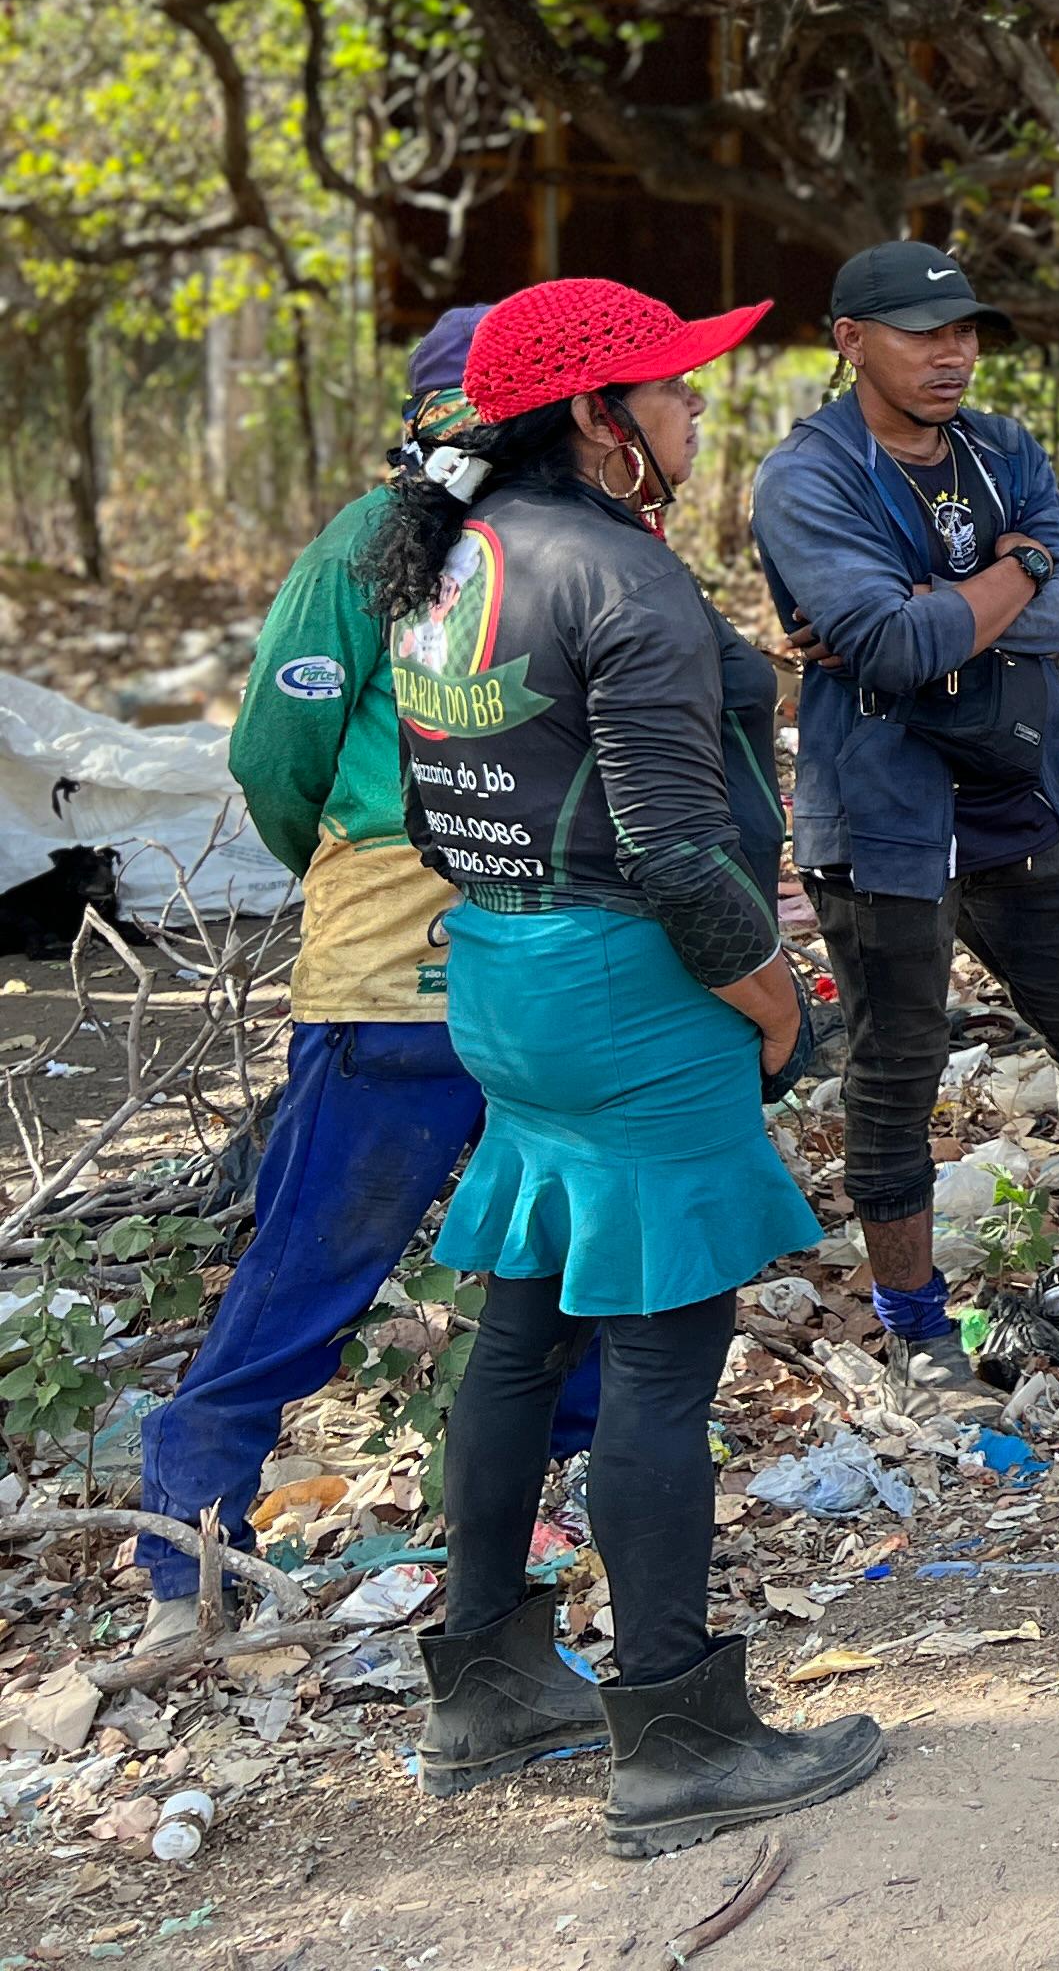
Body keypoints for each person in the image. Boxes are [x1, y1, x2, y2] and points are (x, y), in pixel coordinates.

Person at [367, 278, 878, 1859]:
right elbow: (675, 856)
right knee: (661, 1362)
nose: (697, 412)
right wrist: (783, 1008)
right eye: (674, 390)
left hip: (505, 970)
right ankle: (673, 1736)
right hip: (631, 988)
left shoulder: (454, 557)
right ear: (599, 418)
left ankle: (485, 1690)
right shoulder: (621, 584)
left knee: (521, 1335)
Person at [134, 313, 604, 1642]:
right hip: (449, 974)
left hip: (454, 963)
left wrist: (348, 863)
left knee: (514, 1253)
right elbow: (279, 756)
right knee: (366, 1258)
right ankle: (189, 1551)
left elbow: (284, 764)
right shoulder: (410, 544)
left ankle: (554, 1499)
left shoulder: (510, 541)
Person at [750, 244, 1059, 1408]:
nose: (952, 349)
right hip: (883, 816)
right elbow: (889, 647)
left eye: (964, 327)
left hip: (1017, 797)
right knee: (895, 1072)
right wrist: (1006, 577)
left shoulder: (1002, 447)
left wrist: (963, 598)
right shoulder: (808, 473)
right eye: (921, 330)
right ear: (849, 338)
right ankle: (917, 1333)